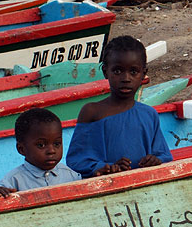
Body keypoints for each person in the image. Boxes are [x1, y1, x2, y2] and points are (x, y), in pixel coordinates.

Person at [66, 35, 173, 178]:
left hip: (144, 185)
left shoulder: (149, 114)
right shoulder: (92, 111)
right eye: (117, 71)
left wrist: (155, 159)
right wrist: (107, 167)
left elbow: (163, 154)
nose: (126, 78)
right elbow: (76, 160)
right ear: (105, 72)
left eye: (133, 72)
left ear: (143, 74)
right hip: (105, 188)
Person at [0, 108, 81, 198]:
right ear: (21, 149)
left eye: (57, 143)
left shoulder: (70, 175)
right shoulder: (15, 179)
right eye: (41, 145)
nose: (51, 151)